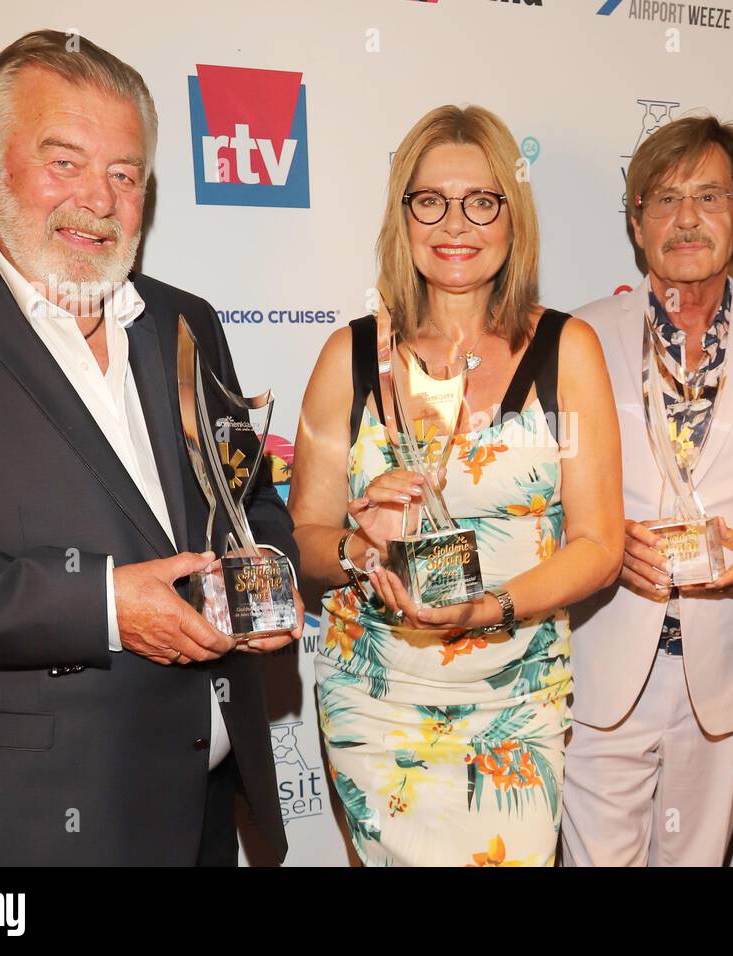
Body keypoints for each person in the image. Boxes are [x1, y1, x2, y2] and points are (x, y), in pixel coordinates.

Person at [0, 31, 303, 865]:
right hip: (11, 826)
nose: (98, 201)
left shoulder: (186, 321)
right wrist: (102, 605)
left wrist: (269, 584)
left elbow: (248, 497)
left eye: (123, 174)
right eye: (63, 162)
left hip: (202, 808)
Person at [288, 105, 623, 867]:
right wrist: (359, 547)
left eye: (482, 201)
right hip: (377, 699)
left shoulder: (569, 350)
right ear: (403, 215)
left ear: (513, 216)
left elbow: (601, 545)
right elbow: (304, 536)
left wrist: (490, 608)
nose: (456, 223)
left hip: (514, 699)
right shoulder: (349, 355)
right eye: (430, 200)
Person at [561, 115, 733, 866]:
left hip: (728, 677)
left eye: (710, 197)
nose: (686, 218)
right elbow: (538, 500)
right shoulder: (575, 339)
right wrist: (602, 547)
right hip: (600, 667)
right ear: (636, 220)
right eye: (664, 198)